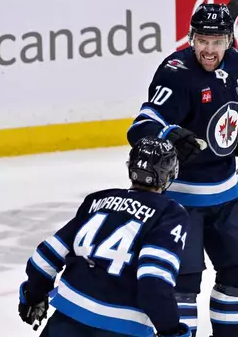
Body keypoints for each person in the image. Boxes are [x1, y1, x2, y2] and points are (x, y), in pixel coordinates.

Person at [127, 3, 238, 337]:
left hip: (226, 197)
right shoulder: (175, 72)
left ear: (229, 40)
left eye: (216, 41)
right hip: (180, 204)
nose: (208, 49)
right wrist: (169, 133)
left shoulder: (237, 64)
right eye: (202, 40)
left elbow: (231, 126)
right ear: (191, 38)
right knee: (183, 283)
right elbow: (140, 127)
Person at [18, 136, 191, 337]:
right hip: (123, 330)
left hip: (64, 324)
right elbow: (154, 286)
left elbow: (42, 260)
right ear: (170, 174)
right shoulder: (169, 214)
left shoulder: (97, 201)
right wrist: (171, 331)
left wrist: (33, 296)